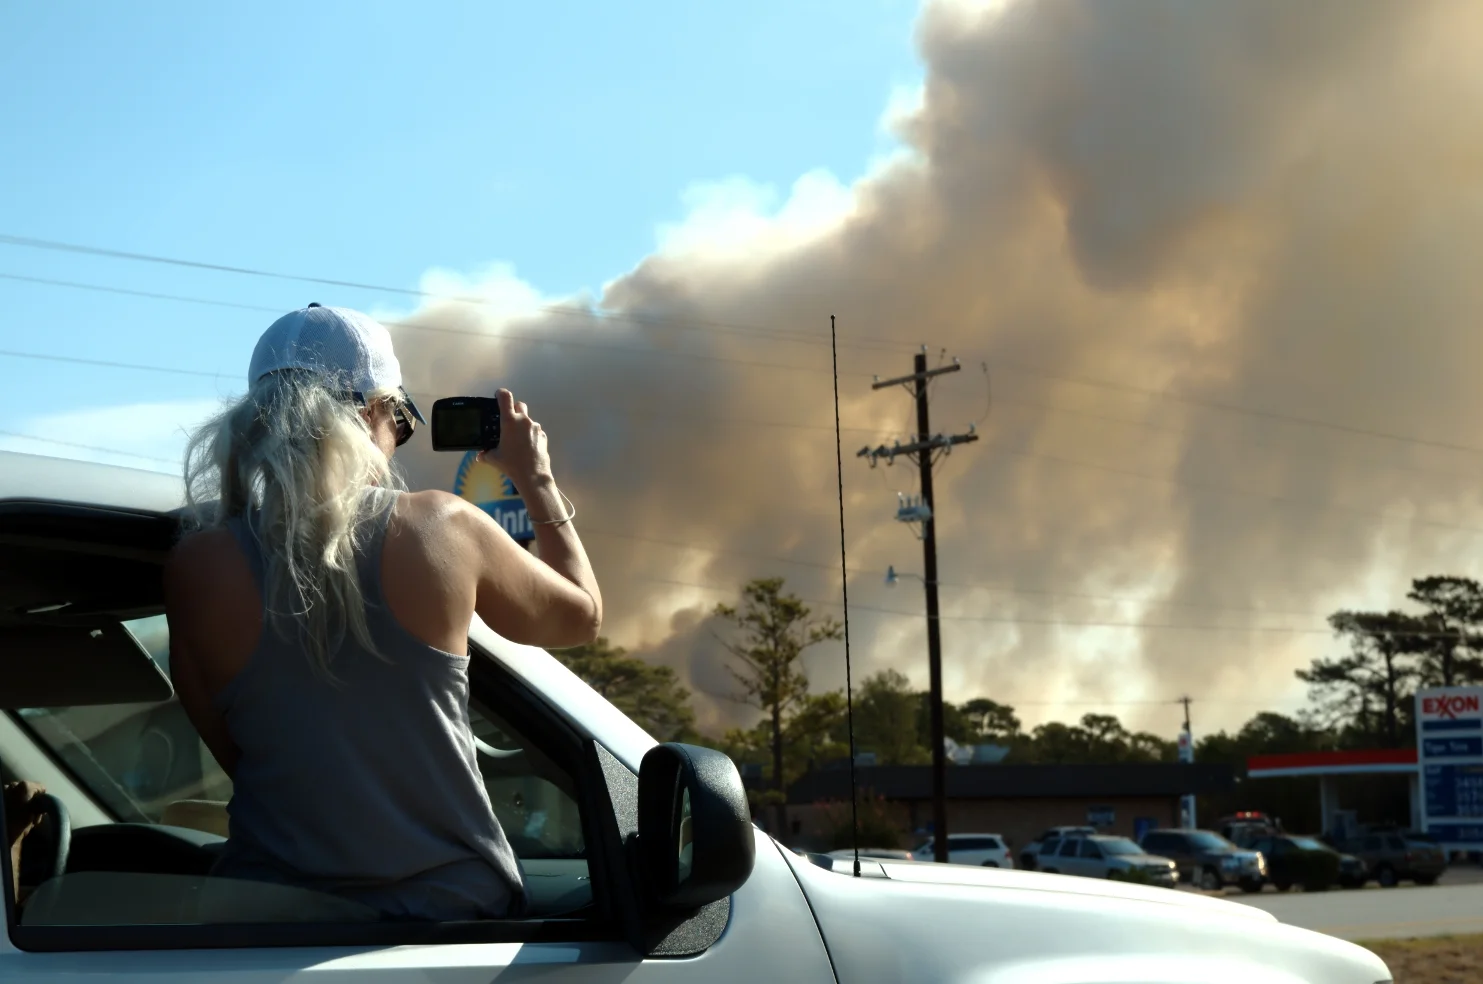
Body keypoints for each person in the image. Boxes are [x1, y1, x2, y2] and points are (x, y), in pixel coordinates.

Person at [163, 303, 601, 921]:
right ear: (374, 412)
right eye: (401, 419)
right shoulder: (441, 527)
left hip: (265, 923)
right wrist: (536, 477)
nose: (396, 437)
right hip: (447, 920)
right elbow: (581, 615)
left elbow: (245, 760)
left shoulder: (198, 566)